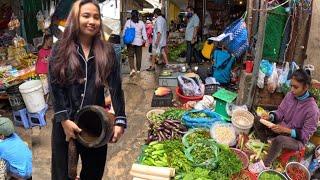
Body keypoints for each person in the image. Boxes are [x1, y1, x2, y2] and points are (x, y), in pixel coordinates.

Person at [49, 1, 127, 179]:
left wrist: (120, 121)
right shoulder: (60, 49)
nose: (92, 21)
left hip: (96, 124)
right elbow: (55, 86)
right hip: (65, 123)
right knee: (62, 174)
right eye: (86, 16)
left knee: (93, 172)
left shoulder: (107, 51)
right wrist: (64, 120)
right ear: (75, 18)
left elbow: (116, 87)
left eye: (96, 17)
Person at [249, 69, 320, 173]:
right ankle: (265, 143)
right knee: (257, 119)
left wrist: (287, 130)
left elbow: (306, 135)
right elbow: (280, 112)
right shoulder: (290, 95)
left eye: (295, 87)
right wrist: (270, 117)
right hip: (280, 128)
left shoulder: (312, 109)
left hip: (296, 140)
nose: (292, 89)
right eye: (291, 85)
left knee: (280, 140)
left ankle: (265, 164)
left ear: (305, 87)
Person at [123, 10, 148, 76]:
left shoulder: (128, 22)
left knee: (130, 56)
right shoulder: (141, 23)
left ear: (131, 15)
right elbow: (144, 33)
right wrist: (145, 40)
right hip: (139, 42)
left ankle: (132, 69)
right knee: (139, 56)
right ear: (138, 15)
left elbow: (124, 32)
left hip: (130, 42)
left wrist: (124, 39)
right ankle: (138, 70)